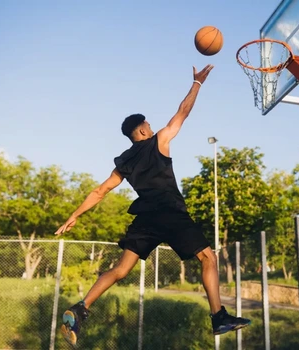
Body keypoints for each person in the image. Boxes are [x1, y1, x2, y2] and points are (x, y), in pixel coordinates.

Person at [55, 64, 251, 347]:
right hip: (171, 213)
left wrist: (74, 215)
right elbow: (183, 112)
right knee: (209, 258)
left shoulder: (124, 161)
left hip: (145, 219)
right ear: (143, 129)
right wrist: (197, 83)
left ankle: (82, 307)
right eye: (148, 123)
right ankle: (218, 317)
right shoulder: (159, 139)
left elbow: (100, 191)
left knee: (121, 270)